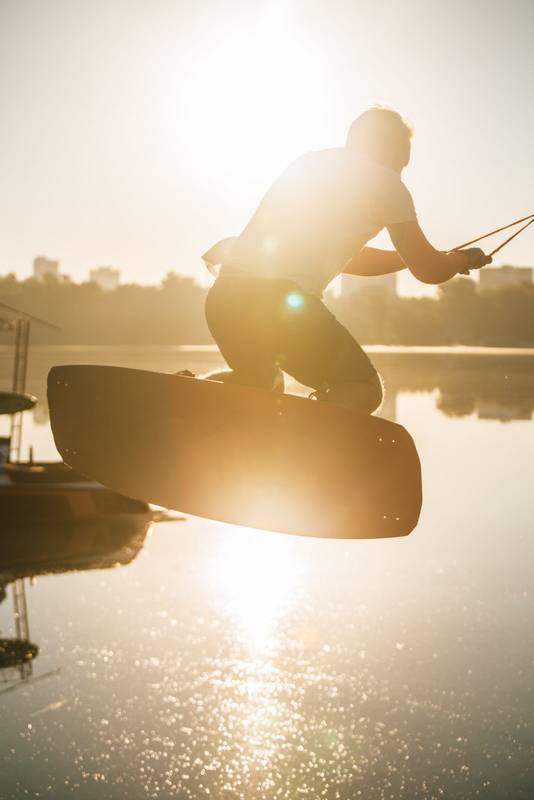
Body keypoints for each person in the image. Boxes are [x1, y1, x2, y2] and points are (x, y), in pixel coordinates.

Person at [199, 107, 491, 413]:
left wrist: (411, 257)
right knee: (362, 388)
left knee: (259, 382)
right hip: (276, 302)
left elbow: (352, 261)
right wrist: (460, 260)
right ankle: (296, 438)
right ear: (391, 148)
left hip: (225, 299)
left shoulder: (310, 164)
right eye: (402, 162)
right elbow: (429, 271)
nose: (400, 172)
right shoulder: (387, 184)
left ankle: (184, 391)